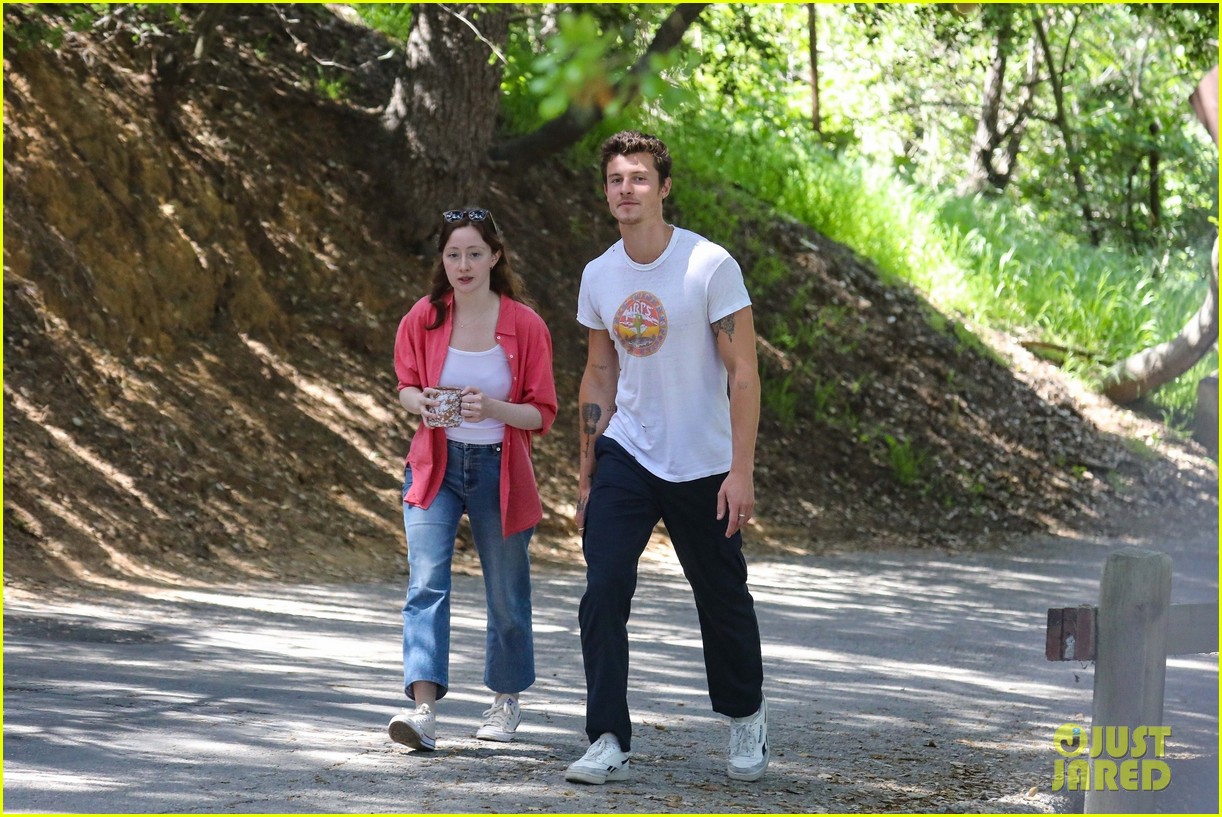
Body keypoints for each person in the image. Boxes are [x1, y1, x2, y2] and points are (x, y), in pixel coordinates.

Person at [565, 130, 769, 784]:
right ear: (607, 191)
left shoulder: (709, 266)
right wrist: (587, 472)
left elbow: (743, 373)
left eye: (639, 178)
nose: (626, 189)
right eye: (616, 180)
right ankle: (607, 735)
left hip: (704, 459)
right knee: (604, 586)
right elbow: (598, 374)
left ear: (664, 186)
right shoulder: (600, 273)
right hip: (629, 450)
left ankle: (746, 716)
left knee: (721, 593)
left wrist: (742, 470)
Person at [388, 207, 557, 752]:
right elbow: (406, 385)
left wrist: (493, 407)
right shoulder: (425, 316)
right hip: (435, 465)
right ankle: (422, 712)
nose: (463, 264)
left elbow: (542, 413)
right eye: (453, 254)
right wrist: (427, 404)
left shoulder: (525, 325)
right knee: (425, 585)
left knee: (506, 593)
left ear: (495, 257)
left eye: (474, 253)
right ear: (442, 260)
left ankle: (505, 701)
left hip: (499, 470)